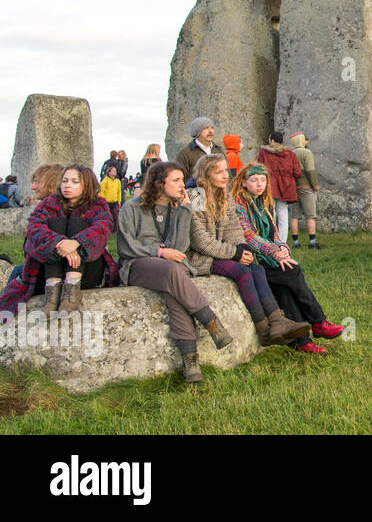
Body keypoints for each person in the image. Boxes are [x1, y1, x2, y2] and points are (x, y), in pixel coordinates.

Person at [115, 161, 235, 383]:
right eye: (176, 180)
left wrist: (185, 212)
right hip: (137, 264)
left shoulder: (179, 208)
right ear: (160, 184)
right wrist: (159, 252)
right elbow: (125, 246)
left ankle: (191, 362)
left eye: (182, 179)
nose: (182, 185)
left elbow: (179, 248)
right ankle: (210, 321)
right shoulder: (131, 207)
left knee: (174, 287)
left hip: (171, 268)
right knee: (172, 270)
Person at [189, 155, 311, 347]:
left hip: (222, 251)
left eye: (225, 171)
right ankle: (264, 330)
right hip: (201, 257)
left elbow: (234, 229)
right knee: (243, 272)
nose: (225, 176)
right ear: (206, 174)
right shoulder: (196, 195)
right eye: (218, 171)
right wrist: (235, 253)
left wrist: (243, 248)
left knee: (257, 268)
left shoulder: (224, 194)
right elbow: (200, 241)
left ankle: (277, 321)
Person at [231, 164, 346, 353]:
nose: (259, 184)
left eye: (262, 180)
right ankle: (318, 321)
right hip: (253, 261)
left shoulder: (263, 203)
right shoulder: (239, 205)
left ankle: (300, 341)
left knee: (285, 285)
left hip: (269, 257)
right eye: (253, 180)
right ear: (243, 182)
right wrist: (275, 253)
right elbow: (248, 235)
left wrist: (282, 248)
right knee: (292, 271)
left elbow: (274, 233)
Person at [0, 165, 119, 314]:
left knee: (78, 222)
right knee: (55, 222)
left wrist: (76, 243)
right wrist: (58, 243)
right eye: (65, 181)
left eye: (75, 182)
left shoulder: (98, 206)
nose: (68, 185)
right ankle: (53, 290)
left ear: (87, 184)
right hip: (50, 270)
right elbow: (35, 229)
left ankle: (71, 287)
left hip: (87, 272)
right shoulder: (48, 204)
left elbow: (102, 228)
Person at [257, 130, 302, 246]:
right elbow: (297, 172)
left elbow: (259, 168)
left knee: (268, 213)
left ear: (271, 140)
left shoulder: (264, 153)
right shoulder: (290, 154)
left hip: (269, 186)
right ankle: (282, 242)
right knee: (283, 214)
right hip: (285, 187)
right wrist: (290, 180)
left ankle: (269, 239)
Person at [288, 131, 322, 249]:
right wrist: (315, 185)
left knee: (294, 216)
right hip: (307, 188)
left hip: (294, 188)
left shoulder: (290, 153)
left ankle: (295, 243)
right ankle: (312, 242)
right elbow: (310, 171)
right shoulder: (307, 153)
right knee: (311, 216)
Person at [175, 118, 225, 185]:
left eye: (212, 128)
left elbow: (227, 175)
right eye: (206, 128)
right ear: (197, 131)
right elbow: (180, 178)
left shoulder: (219, 151)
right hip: (196, 193)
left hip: (218, 193)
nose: (210, 131)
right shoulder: (185, 153)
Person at [98, 164, 123, 231]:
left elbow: (119, 192)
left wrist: (119, 201)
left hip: (115, 202)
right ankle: (106, 229)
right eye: (113, 171)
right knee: (107, 217)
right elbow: (101, 192)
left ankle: (115, 230)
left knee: (116, 216)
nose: (115, 172)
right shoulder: (105, 181)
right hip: (107, 202)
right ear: (109, 172)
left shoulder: (117, 181)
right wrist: (102, 201)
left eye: (115, 171)